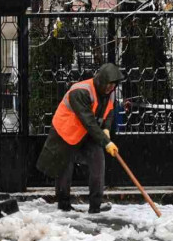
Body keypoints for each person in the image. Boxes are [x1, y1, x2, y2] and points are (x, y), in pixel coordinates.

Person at [36, 63, 124, 213]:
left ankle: (95, 206)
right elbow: (88, 121)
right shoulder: (81, 91)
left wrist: (107, 129)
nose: (111, 88)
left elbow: (109, 112)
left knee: (98, 163)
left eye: (114, 85)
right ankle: (64, 205)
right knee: (65, 168)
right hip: (66, 131)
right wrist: (106, 142)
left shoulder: (110, 93)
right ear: (101, 81)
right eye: (109, 84)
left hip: (89, 134)